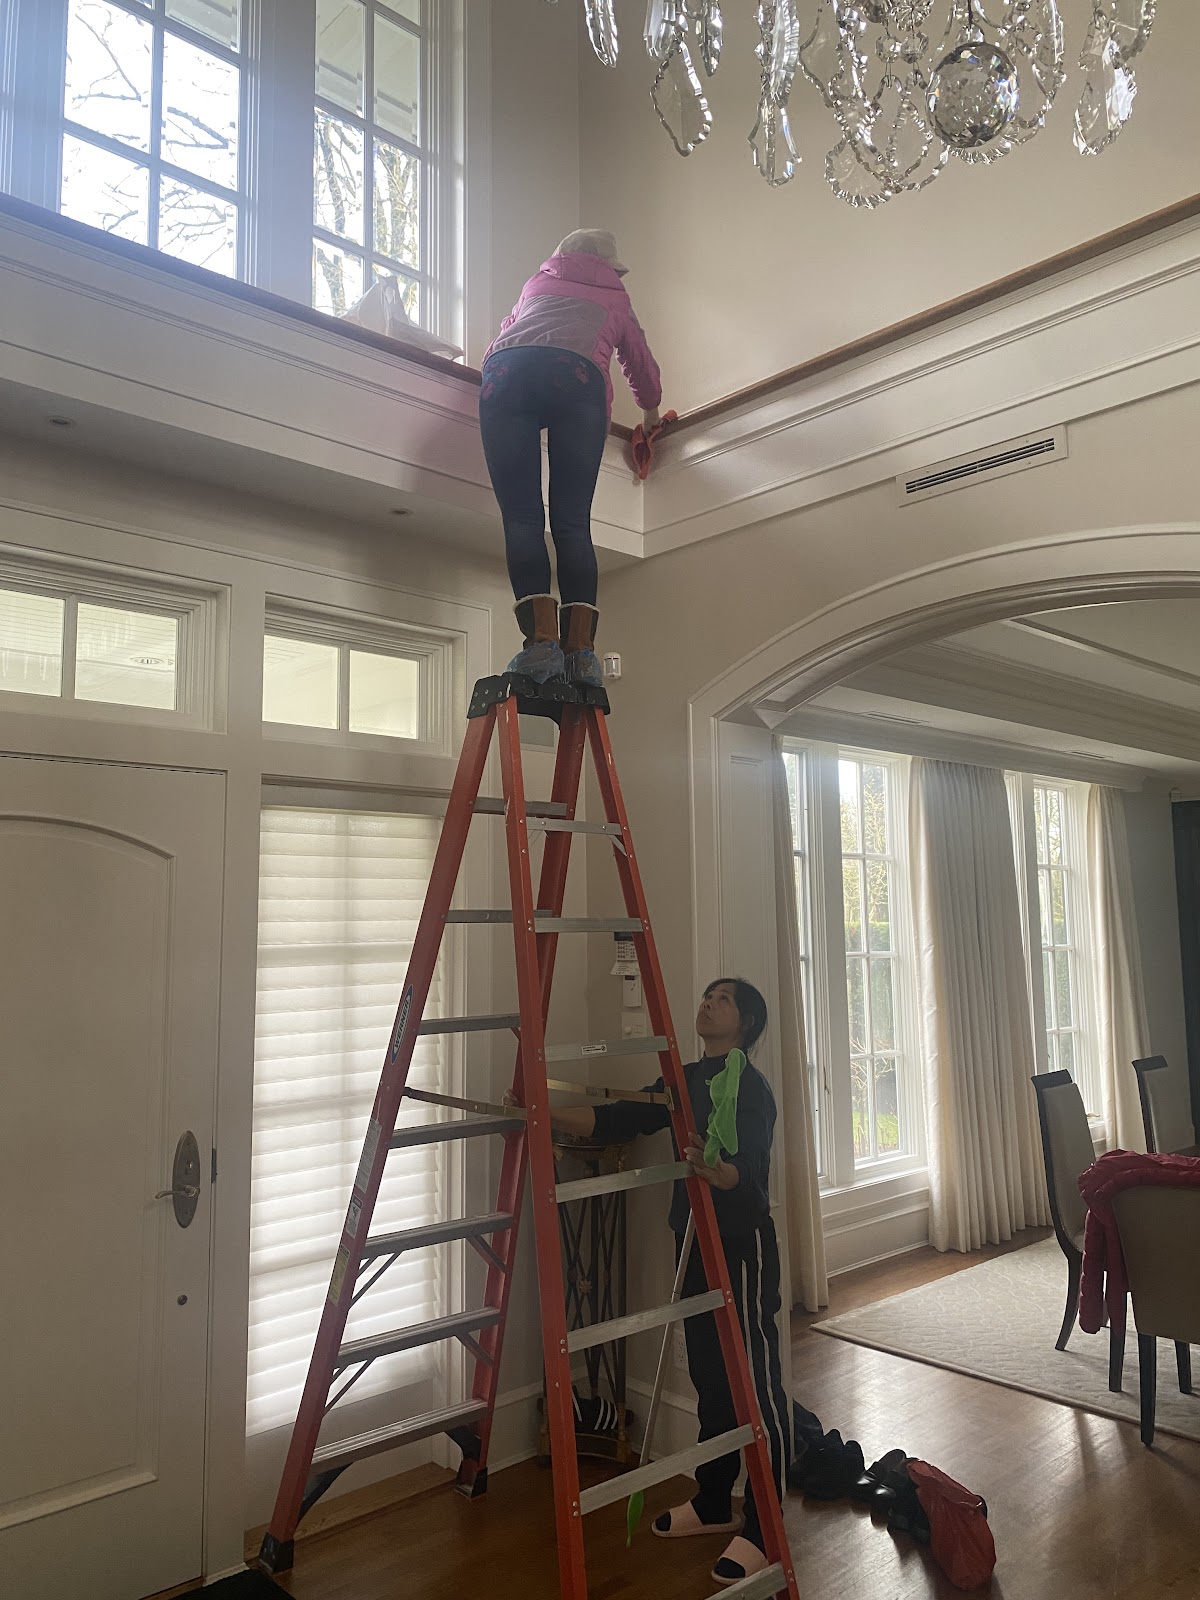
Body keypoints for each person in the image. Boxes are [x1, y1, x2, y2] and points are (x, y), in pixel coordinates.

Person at [542, 978, 791, 1590]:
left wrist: (720, 1171)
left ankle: (766, 1526)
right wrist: (542, 1108)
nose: (707, 1003)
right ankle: (713, 1501)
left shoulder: (751, 1089)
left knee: (755, 1380)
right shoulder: (682, 1079)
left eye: (724, 1000)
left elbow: (751, 1171)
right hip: (694, 1244)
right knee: (708, 1373)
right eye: (705, 995)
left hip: (742, 1245)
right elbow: (620, 1118)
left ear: (747, 1024)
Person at [479, 228, 663, 689]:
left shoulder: (535, 285)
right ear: (611, 266)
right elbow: (640, 365)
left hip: (505, 374)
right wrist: (650, 415)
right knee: (571, 524)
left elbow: (506, 336)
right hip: (575, 379)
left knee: (521, 518)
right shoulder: (615, 298)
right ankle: (580, 654)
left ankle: (541, 646)